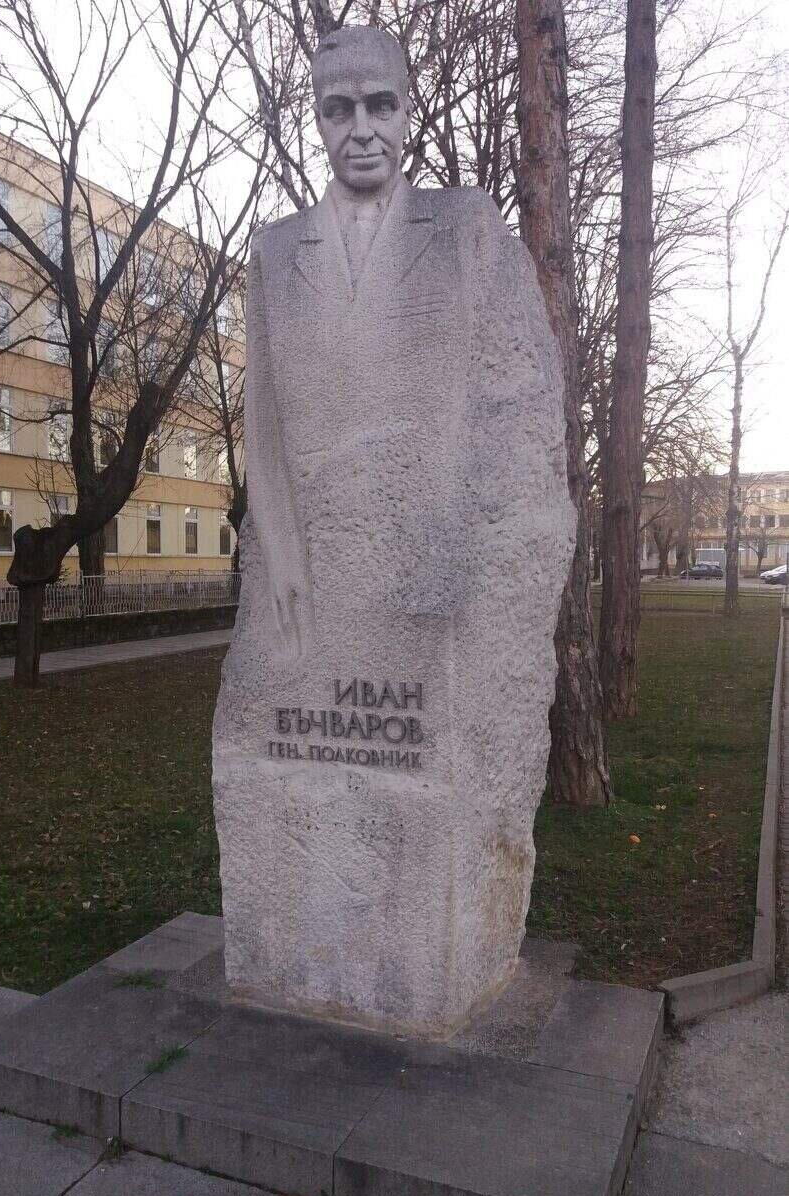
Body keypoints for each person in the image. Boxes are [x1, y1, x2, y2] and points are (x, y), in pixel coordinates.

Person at [213, 25, 575, 1035]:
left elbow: (515, 407)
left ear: (410, 111)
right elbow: (264, 421)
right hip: (308, 590)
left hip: (432, 593)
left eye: (381, 104)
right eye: (339, 109)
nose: (361, 128)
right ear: (317, 120)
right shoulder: (277, 250)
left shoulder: (462, 231)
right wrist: (278, 549)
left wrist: (481, 555)